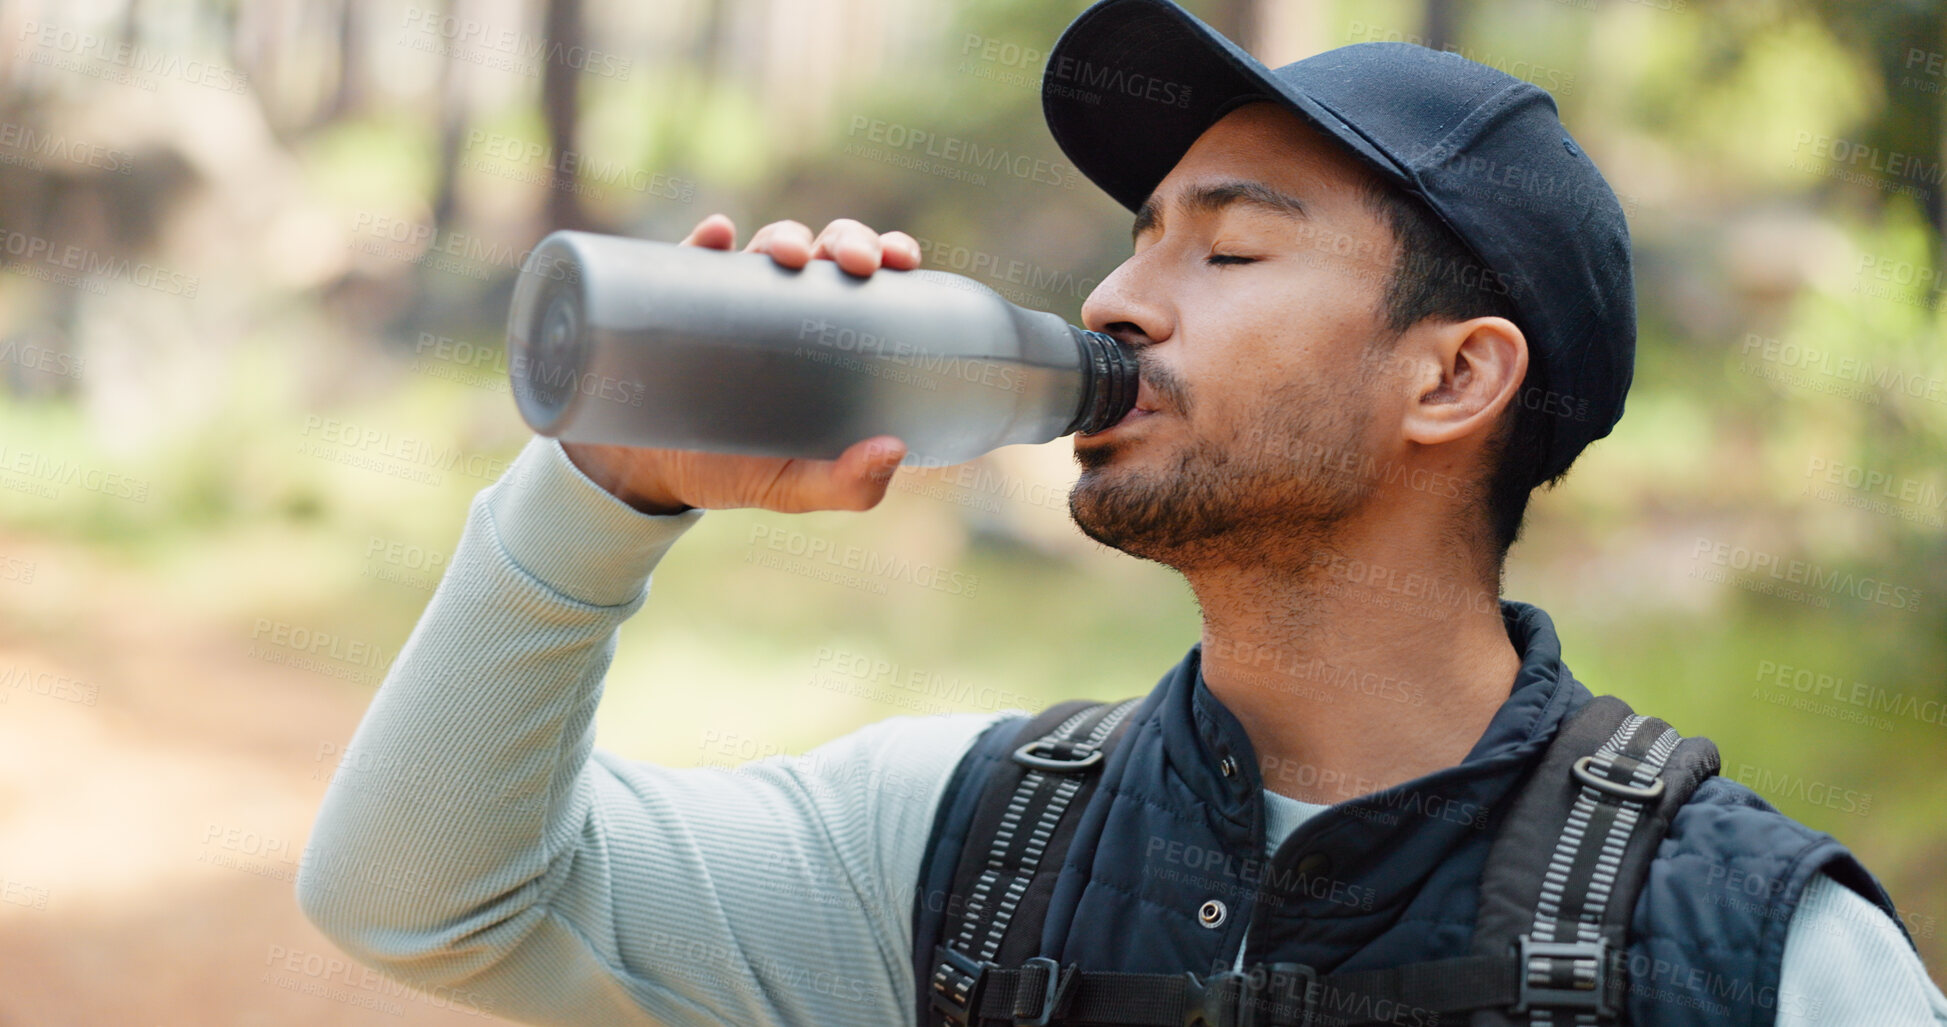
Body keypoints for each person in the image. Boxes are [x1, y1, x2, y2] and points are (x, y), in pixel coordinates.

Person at [298, 1, 1946, 1024]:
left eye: (1226, 252)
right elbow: (423, 897)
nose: (1118, 301)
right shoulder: (957, 846)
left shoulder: (1755, 956)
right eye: (1138, 239)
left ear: (1453, 381)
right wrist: (611, 484)